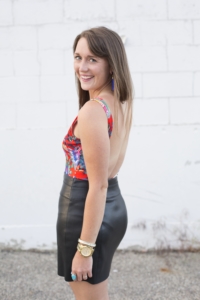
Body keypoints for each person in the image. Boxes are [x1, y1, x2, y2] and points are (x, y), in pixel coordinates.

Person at [56, 26, 133, 300]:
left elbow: (97, 186)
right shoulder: (118, 101)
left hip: (86, 213)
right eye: (78, 57)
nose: (82, 67)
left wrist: (84, 248)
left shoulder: (93, 111)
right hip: (112, 208)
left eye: (92, 59)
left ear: (111, 64)